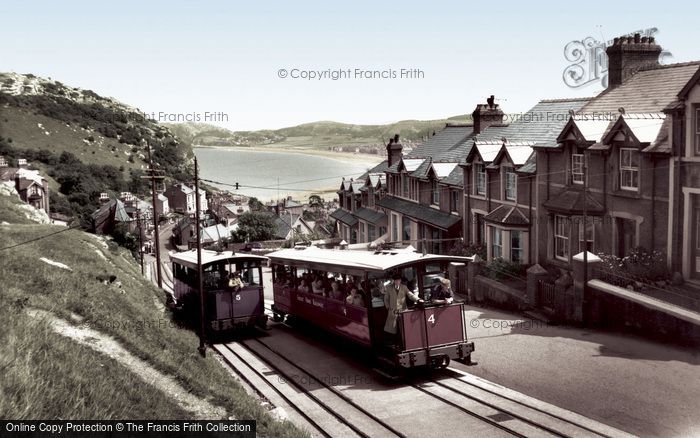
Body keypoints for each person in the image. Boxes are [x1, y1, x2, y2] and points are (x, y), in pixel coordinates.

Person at [383, 274, 422, 341]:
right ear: (394, 281)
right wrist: (388, 308)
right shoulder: (389, 288)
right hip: (393, 311)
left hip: (403, 311)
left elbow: (410, 295)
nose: (397, 282)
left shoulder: (404, 287)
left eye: (398, 280)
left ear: (400, 281)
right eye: (396, 280)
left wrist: (418, 299)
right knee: (393, 329)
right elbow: (386, 299)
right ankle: (395, 342)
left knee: (404, 328)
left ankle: (405, 342)